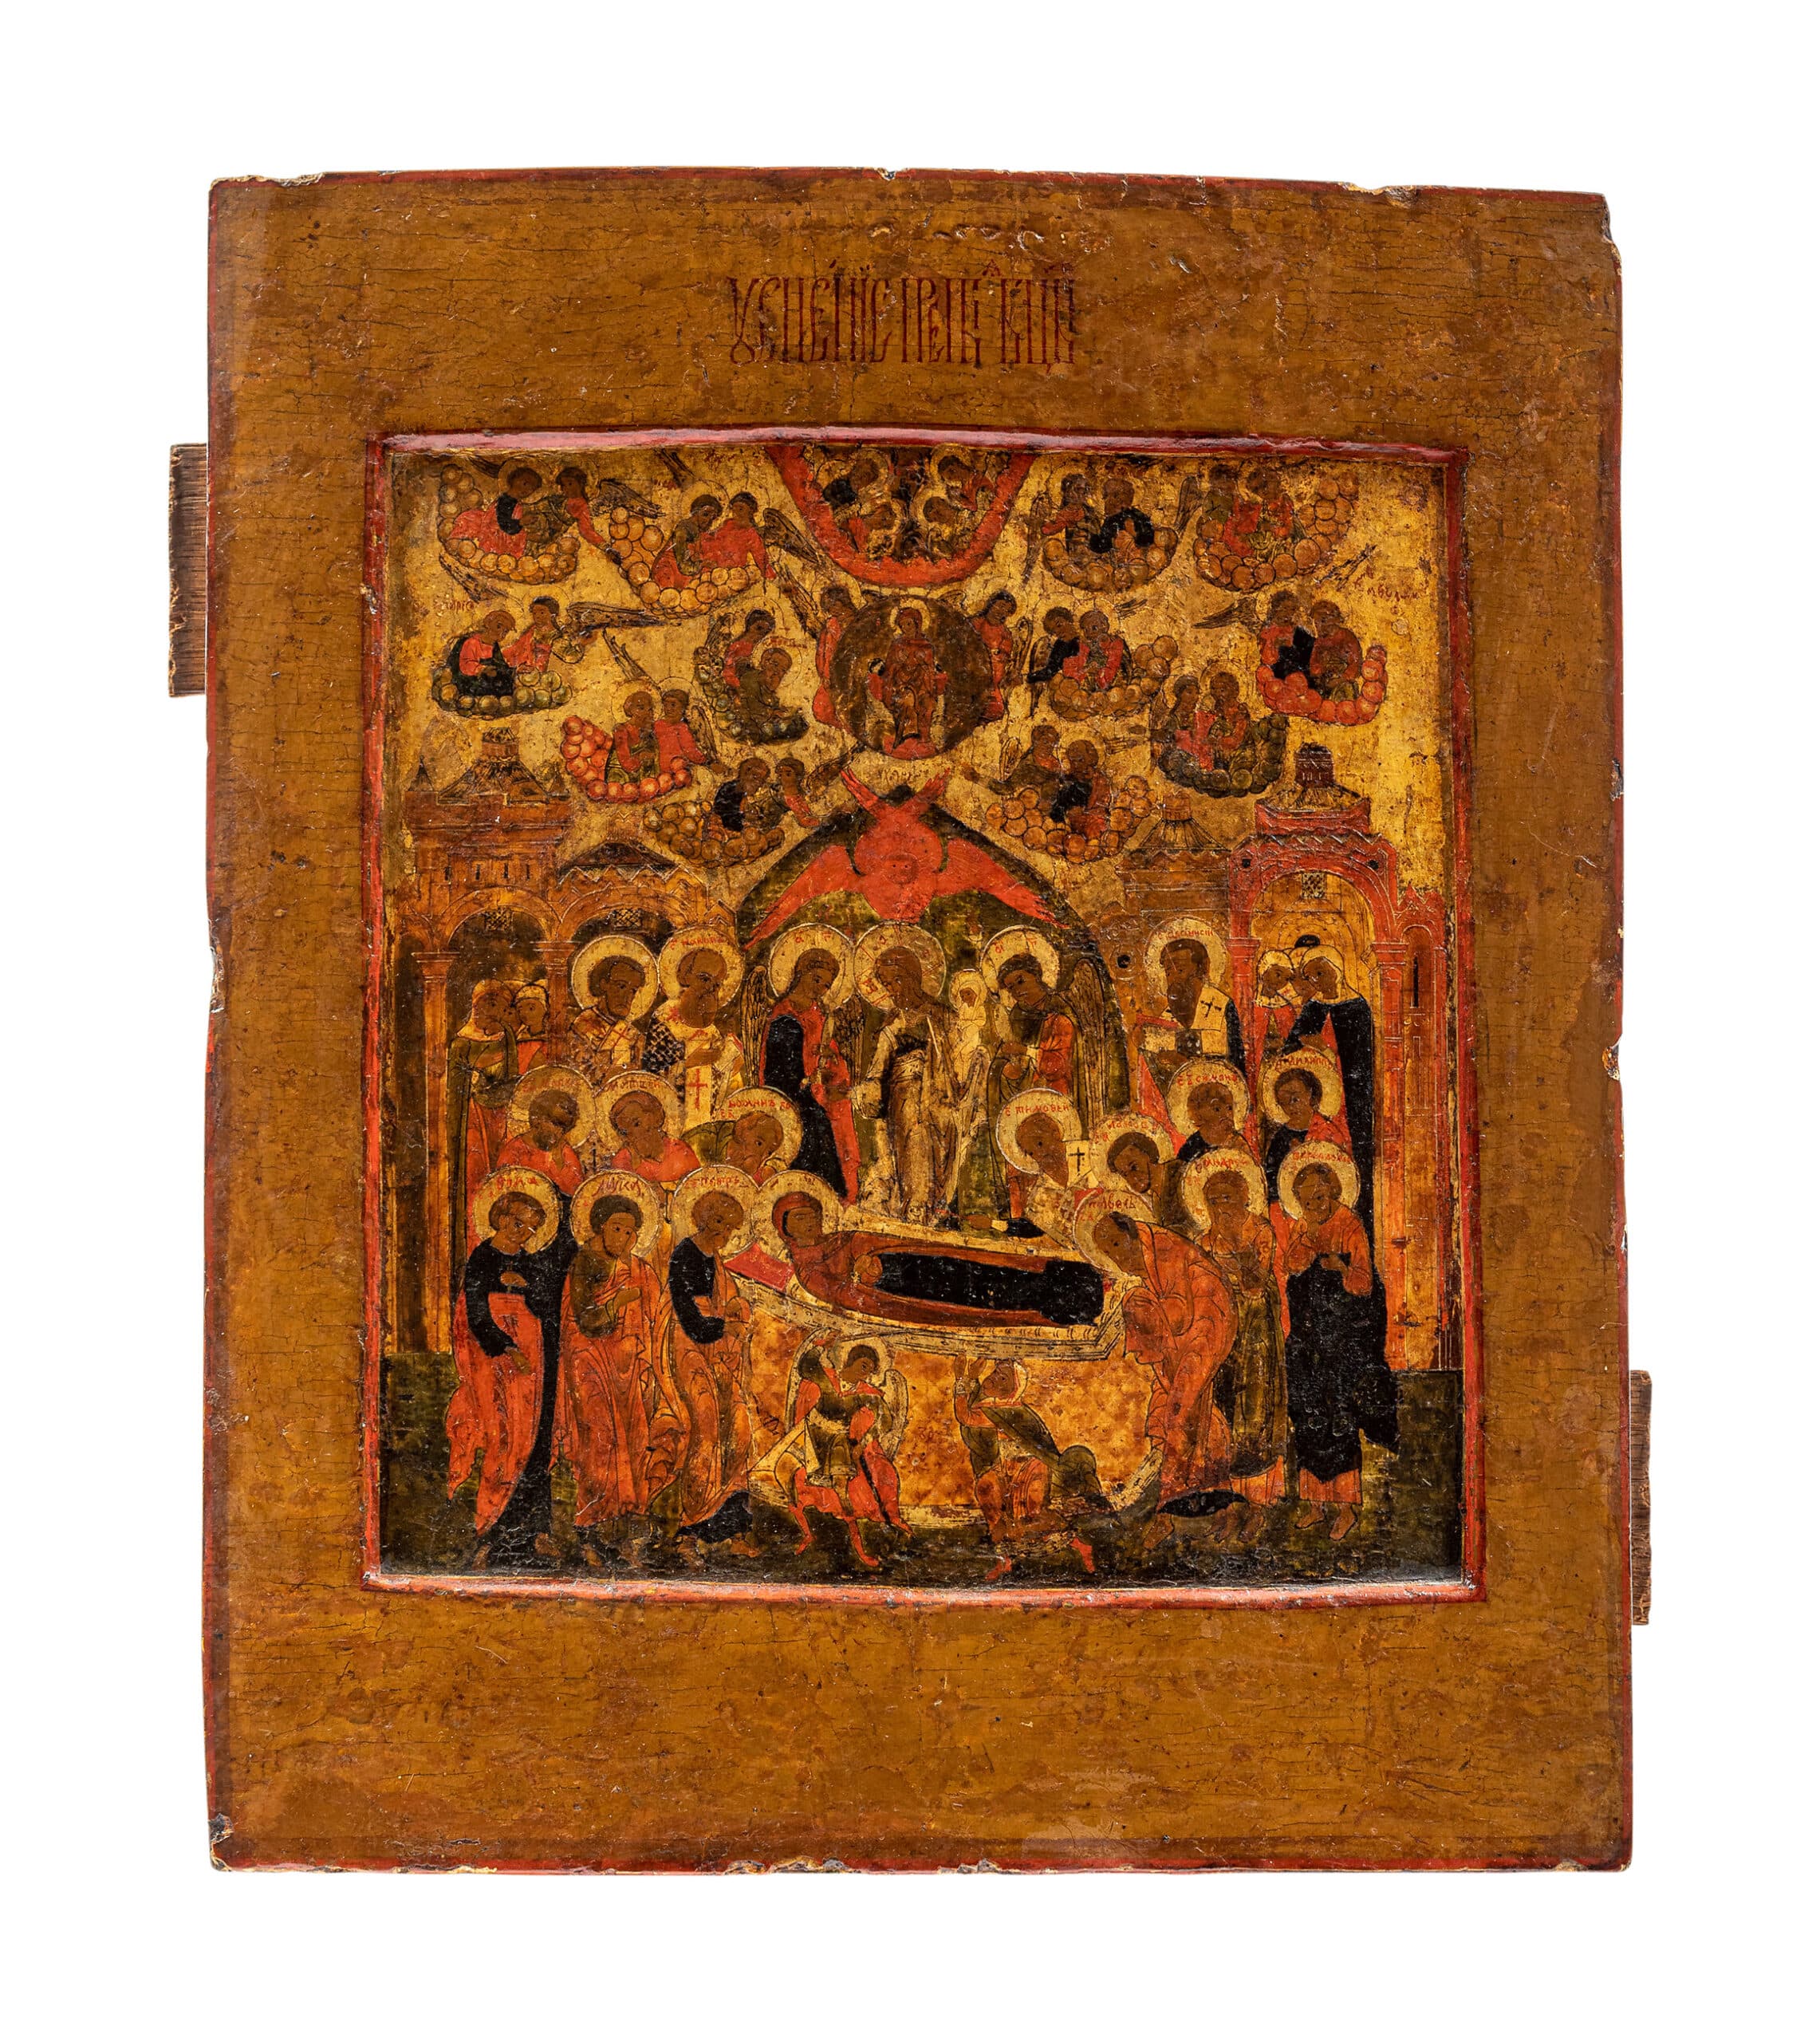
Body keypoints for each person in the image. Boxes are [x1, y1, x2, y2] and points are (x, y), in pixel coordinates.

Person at [771, 1187, 1103, 1330]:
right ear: (786, 1229)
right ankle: (1069, 1307)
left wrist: (870, 1257)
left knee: (994, 1272)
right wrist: (863, 1276)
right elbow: (846, 1296)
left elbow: (885, 1242)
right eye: (799, 1218)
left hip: (925, 1261)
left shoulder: (841, 1237)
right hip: (909, 1289)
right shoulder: (809, 1271)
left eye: (811, 1213)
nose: (810, 1222)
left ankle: (1079, 1281)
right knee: (991, 1300)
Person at [447, 1181, 569, 1568]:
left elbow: (547, 1309)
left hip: (535, 1364)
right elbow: (476, 1315)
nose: (524, 1233)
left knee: (537, 1444)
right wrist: (508, 1348)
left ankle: (537, 1532)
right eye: (518, 1224)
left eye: (532, 1228)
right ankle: (490, 1532)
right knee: (504, 1441)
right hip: (498, 1363)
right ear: (500, 1218)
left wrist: (528, 1287)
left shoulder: (532, 1262)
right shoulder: (482, 1258)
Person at [1089, 1208, 1238, 1523]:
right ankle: (1219, 1494)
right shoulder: (1146, 1252)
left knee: (1181, 1406)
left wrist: (1148, 1312)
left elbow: (1180, 1316)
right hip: (1182, 1331)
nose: (1118, 1258)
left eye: (1116, 1244)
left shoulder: (1166, 1249)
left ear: (1131, 1231)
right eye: (1109, 1253)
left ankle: (1171, 1498)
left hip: (1207, 1320)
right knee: (1184, 1407)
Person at [1281, 1155, 1396, 1539]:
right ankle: (1315, 1503)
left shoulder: (1350, 1226)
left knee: (1339, 1416)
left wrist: (1341, 1268)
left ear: (1333, 1191)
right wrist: (1306, 1246)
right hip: (1308, 1339)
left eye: (1320, 1197)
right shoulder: (1302, 1226)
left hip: (1341, 1340)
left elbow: (1364, 1283)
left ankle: (1346, 1507)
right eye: (1307, 1201)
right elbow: (1291, 1266)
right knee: (1308, 1414)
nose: (1315, 1206)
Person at [557, 1188, 672, 1566]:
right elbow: (585, 1320)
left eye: (630, 1231)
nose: (624, 1237)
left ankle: (624, 1531)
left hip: (629, 1369)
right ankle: (590, 1529)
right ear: (599, 1228)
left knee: (635, 1443)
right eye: (617, 1228)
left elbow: (657, 1316)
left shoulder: (640, 1270)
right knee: (599, 1442)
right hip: (590, 1364)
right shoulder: (584, 1263)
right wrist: (617, 1303)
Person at [1189, 1160, 1290, 1537]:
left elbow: (1254, 1283)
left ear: (1245, 1197)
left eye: (1227, 1198)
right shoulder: (1204, 1241)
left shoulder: (1259, 1231)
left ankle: (1258, 1505)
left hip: (1256, 1334)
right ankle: (1228, 1505)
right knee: (1222, 1416)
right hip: (1222, 1334)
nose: (1221, 1207)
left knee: (1255, 1415)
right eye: (1213, 1201)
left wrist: (1233, 1242)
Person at [663, 1186, 762, 1562]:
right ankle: (690, 1530)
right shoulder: (683, 1255)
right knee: (706, 1429)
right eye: (718, 1221)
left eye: (730, 1226)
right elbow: (688, 1315)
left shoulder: (718, 1263)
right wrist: (722, 1326)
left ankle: (732, 1530)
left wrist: (736, 1310)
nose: (723, 1231)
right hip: (691, 1347)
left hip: (719, 1351)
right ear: (703, 1218)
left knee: (739, 1429)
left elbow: (730, 1303)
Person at [852, 932, 969, 1227]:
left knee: (935, 1160)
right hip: (903, 1104)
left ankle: (934, 1213)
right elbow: (878, 1070)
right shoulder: (892, 1024)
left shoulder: (943, 1016)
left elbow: (962, 1057)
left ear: (912, 976)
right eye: (886, 984)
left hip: (940, 1102)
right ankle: (914, 1213)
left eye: (896, 981)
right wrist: (865, 1091)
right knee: (911, 1156)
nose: (892, 990)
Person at [952, 1358, 1103, 1581]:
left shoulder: (1015, 1412)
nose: (993, 1378)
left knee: (1031, 1516)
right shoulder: (993, 1409)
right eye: (995, 1373)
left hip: (1031, 1468)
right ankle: (1004, 1560)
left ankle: (1080, 1546)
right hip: (1003, 1468)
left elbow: (966, 1416)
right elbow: (971, 1414)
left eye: (1003, 1378)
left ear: (1013, 1388)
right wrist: (971, 1379)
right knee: (987, 1494)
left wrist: (961, 1380)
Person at [1282, 939, 1377, 1242]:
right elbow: (1291, 1048)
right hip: (1321, 1098)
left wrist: (1327, 1051)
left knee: (1355, 1162)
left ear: (1337, 969)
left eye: (1320, 973)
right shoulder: (1314, 1007)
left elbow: (1363, 1058)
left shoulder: (1358, 1006)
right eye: (1311, 976)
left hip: (1354, 1098)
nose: (1316, 980)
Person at [760, 941, 859, 1200]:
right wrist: (810, 1081)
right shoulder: (784, 1017)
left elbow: (833, 1063)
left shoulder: (820, 1017)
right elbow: (779, 1073)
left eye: (826, 985)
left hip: (817, 1097)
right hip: (792, 1099)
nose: (820, 989)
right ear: (801, 973)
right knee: (814, 1131)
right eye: (816, 979)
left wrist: (831, 1066)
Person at [1133, 923, 1244, 1125]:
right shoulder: (1166, 1017)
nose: (1174, 979)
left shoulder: (1221, 1006)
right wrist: (1144, 1044)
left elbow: (1231, 1061)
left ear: (1201, 970)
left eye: (1181, 969)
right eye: (1169, 972)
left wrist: (1182, 1061)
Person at [643, 936, 743, 1133]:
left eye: (716, 984)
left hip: (707, 1123)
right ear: (685, 977)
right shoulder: (664, 1020)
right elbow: (651, 1078)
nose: (709, 989)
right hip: (672, 1122)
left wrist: (732, 1069)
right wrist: (689, 1063)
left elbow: (724, 1086)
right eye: (704, 979)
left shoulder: (713, 1031)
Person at [1260, 1062, 1349, 1210]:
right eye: (1284, 1103)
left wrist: (1304, 1159)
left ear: (1311, 1095)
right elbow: (1273, 1177)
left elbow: (1342, 1172)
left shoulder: (1328, 1132)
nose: (1291, 1107)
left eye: (1295, 1099)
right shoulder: (1280, 1137)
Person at [868, 606, 948, 752]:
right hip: (899, 685)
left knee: (926, 703)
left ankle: (923, 739)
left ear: (917, 623)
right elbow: (889, 671)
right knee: (906, 700)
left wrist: (921, 664)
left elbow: (930, 671)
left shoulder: (927, 646)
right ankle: (906, 738)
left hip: (922, 685)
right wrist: (899, 662)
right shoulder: (896, 645)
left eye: (909, 624)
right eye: (902, 625)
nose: (906, 628)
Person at [569, 947, 655, 1083]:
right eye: (621, 986)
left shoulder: (635, 1037)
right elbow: (581, 1075)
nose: (627, 997)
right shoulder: (582, 1027)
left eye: (633, 991)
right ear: (604, 985)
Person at [1103, 1123, 1196, 1238]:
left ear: (1147, 1154)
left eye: (1134, 1167)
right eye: (1125, 1174)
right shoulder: (1156, 1198)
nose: (1133, 1178)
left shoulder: (1182, 1176)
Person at [496, 1087, 585, 1199]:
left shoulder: (564, 1151)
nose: (558, 1131)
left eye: (563, 1128)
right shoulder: (515, 1149)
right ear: (538, 1119)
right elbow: (501, 1186)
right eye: (555, 1123)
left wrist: (559, 1162)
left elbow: (576, 1192)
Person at [604, 1085, 699, 1187]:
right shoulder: (623, 1160)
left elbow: (695, 1186)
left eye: (637, 1124)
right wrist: (635, 1165)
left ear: (654, 1118)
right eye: (625, 1132)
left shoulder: (680, 1151)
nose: (633, 1135)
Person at [447, 464, 546, 563]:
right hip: (493, 537)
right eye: (525, 483)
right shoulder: (506, 501)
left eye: (532, 489)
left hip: (502, 535)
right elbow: (503, 525)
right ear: (514, 479)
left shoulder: (515, 503)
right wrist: (522, 523)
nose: (527, 490)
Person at [1172, 1067, 1257, 1166]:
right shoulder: (1192, 1146)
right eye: (1217, 1109)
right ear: (1199, 1115)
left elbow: (1249, 1168)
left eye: (1229, 1108)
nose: (1226, 1115)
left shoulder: (1238, 1142)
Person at [445, 609, 518, 703]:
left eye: (505, 631)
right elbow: (466, 665)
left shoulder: (494, 646)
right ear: (488, 623)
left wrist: (512, 671)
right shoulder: (472, 642)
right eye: (498, 627)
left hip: (487, 677)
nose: (501, 633)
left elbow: (501, 664)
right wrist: (483, 669)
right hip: (470, 679)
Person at [812, 585, 859, 727]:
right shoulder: (831, 624)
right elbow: (822, 652)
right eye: (828, 607)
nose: (830, 610)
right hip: (831, 677)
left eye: (832, 605)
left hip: (853, 676)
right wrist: (824, 675)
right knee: (821, 709)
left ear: (841, 602)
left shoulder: (859, 622)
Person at [970, 591, 1018, 719]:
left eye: (1007, 610)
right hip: (969, 671)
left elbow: (1002, 658)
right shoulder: (976, 623)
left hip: (990, 679)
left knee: (995, 709)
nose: (1002, 612)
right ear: (992, 603)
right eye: (1001, 606)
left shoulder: (1005, 634)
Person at [699, 491, 768, 577]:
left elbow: (761, 564)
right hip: (711, 572)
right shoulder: (729, 524)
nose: (736, 514)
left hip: (733, 576)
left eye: (741, 509)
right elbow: (714, 538)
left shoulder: (753, 536)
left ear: (751, 511)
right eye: (733, 510)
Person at [1085, 473, 1156, 557]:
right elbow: (1103, 544)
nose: (1107, 501)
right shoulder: (1111, 519)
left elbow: (1148, 539)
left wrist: (1134, 534)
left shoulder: (1137, 517)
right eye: (1105, 496)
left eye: (1114, 496)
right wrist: (1091, 535)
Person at [1306, 600, 1365, 700]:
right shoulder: (1319, 642)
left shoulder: (1346, 637)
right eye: (1316, 622)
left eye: (1323, 621)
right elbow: (1314, 665)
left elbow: (1356, 664)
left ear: (1334, 620)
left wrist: (1340, 680)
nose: (1318, 626)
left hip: (1343, 684)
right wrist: (1320, 670)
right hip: (1324, 684)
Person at [1060, 609, 1128, 693]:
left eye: (1094, 628)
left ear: (1104, 626)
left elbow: (1113, 669)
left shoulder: (1115, 643)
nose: (1090, 633)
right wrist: (1086, 671)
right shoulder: (1084, 645)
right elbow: (1071, 669)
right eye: (1086, 630)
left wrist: (1095, 673)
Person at [1051, 739, 1111, 832]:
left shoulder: (1099, 781)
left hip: (1093, 824)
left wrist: (1083, 813)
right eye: (1072, 761)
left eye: (1080, 760)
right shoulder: (1066, 780)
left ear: (1090, 759)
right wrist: (1067, 814)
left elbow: (1103, 808)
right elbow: (1057, 808)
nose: (1076, 765)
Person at [605, 691, 660, 789]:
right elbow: (626, 763)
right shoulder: (621, 730)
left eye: (649, 709)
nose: (647, 713)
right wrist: (642, 756)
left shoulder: (649, 731)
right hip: (620, 777)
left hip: (643, 781)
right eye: (641, 708)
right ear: (630, 710)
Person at [711, 756, 773, 837]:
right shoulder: (729, 789)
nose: (758, 783)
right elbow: (723, 814)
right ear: (745, 773)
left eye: (762, 780)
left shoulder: (745, 794)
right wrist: (744, 817)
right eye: (755, 777)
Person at [654, 689, 707, 779]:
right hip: (659, 774)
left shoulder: (682, 728)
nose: (668, 709)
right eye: (666, 705)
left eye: (673, 705)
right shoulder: (658, 725)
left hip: (678, 773)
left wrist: (705, 761)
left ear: (683, 708)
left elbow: (690, 751)